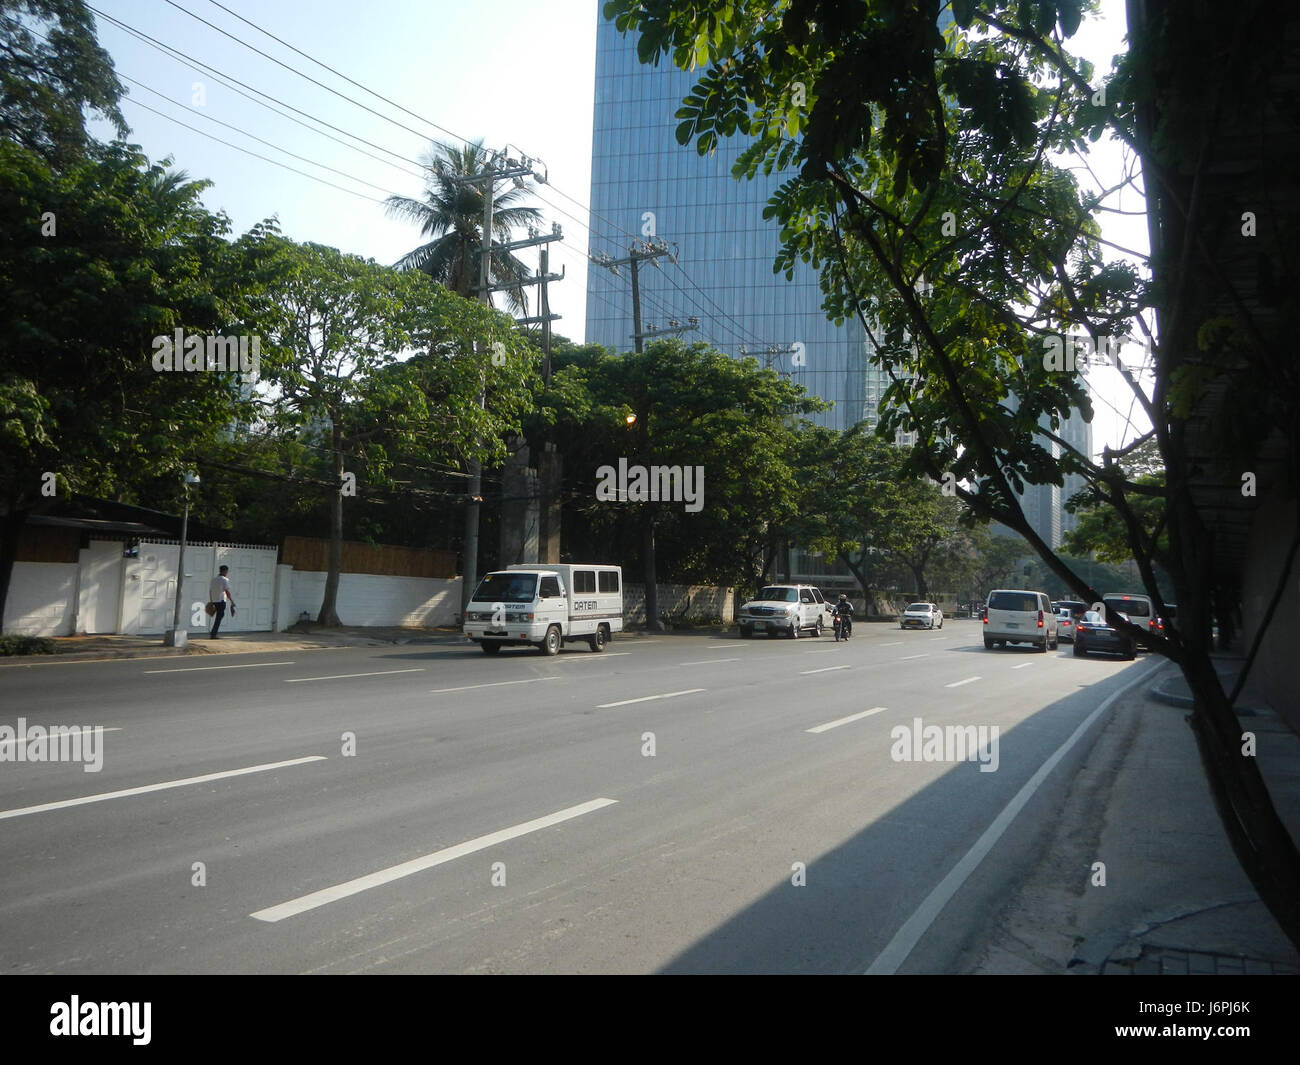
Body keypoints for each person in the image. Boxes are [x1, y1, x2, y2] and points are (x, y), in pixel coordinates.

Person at [208, 565, 236, 639]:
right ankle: (213, 634)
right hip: (221, 600)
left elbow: (210, 591)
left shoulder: (213, 579)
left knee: (219, 616)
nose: (227, 573)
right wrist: (232, 601)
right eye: (227, 571)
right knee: (219, 617)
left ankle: (213, 632)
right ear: (224, 571)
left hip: (214, 600)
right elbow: (227, 591)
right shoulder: (224, 580)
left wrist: (211, 601)